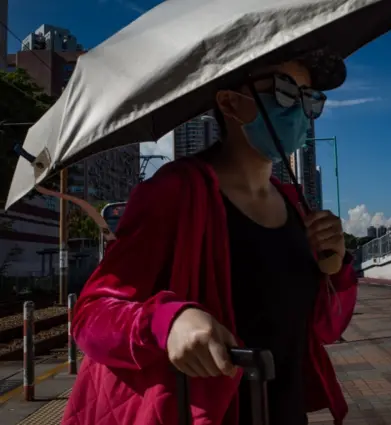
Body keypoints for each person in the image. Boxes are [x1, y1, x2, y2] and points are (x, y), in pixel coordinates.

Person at [61, 50, 358, 425]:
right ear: (230, 102)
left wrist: (336, 268)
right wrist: (167, 322)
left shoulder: (294, 204)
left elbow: (324, 330)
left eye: (309, 98)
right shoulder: (175, 192)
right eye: (284, 91)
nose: (298, 109)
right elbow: (90, 317)